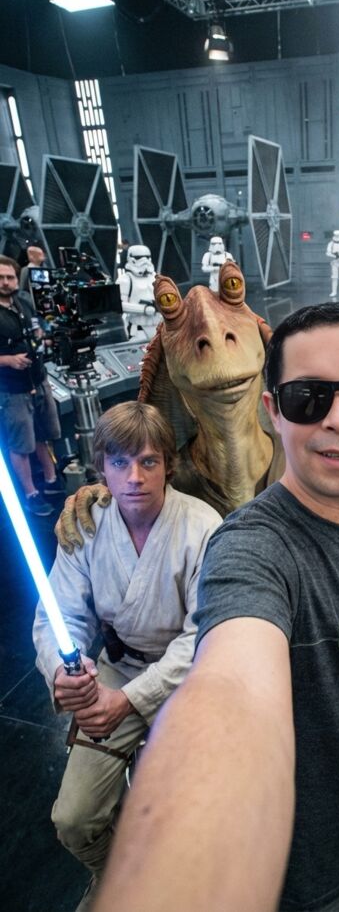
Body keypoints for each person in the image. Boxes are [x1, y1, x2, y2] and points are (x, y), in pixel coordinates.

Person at [93, 301, 339, 912]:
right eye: (307, 398)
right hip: (309, 880)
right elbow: (231, 689)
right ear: (272, 411)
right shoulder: (251, 549)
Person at [32, 401, 222, 912]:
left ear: (168, 464)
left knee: (193, 822)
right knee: (73, 820)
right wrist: (65, 670)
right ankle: (120, 875)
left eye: (148, 461)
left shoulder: (202, 527)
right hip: (114, 670)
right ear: (101, 467)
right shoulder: (85, 525)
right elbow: (59, 615)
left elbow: (202, 633)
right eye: (119, 463)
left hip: (186, 681)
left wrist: (131, 701)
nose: (134, 477)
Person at [0, 254, 63, 516]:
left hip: (39, 380)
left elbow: (40, 325)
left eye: (10, 277)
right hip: (12, 390)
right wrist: (7, 360)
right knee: (21, 444)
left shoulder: (24, 302)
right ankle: (31, 494)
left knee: (43, 434)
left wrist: (43, 337)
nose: (5, 282)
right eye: (1, 278)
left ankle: (51, 480)